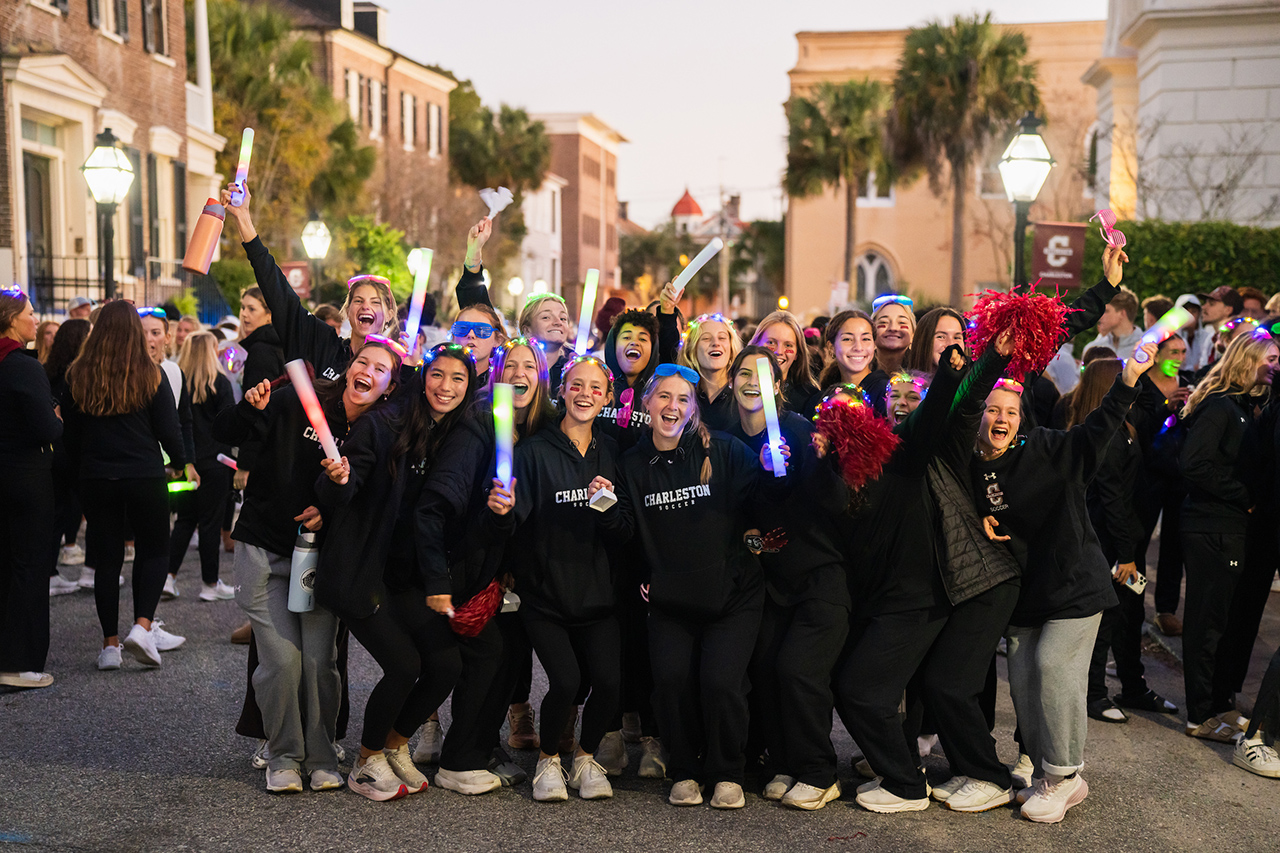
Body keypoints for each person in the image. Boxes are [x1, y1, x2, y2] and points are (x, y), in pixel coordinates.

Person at [974, 334, 1158, 823]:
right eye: (993, 410)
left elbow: (1095, 431)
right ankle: (1045, 775)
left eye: (1011, 412)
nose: (1002, 419)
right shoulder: (971, 467)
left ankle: (1065, 775)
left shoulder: (1047, 449)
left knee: (1055, 668)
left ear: (1022, 419)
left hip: (1075, 584)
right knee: (1026, 681)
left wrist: (1128, 382)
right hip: (1025, 594)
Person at [213, 338, 404, 793]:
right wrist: (247, 408)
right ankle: (283, 754)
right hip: (264, 546)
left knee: (320, 661)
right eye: (363, 361)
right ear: (350, 366)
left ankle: (320, 755)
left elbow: (369, 501)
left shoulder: (378, 431)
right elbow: (224, 429)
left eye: (381, 369)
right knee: (281, 661)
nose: (368, 371)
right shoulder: (300, 399)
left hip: (322, 557)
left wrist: (331, 506)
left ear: (389, 388)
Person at [597, 363, 790, 810]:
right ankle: (684, 769)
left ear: (694, 407)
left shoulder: (724, 450)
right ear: (646, 403)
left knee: (722, 682)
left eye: (683, 399)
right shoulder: (630, 464)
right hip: (670, 598)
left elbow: (761, 509)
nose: (673, 406)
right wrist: (605, 507)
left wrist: (769, 470)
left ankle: (727, 772)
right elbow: (624, 533)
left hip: (734, 594)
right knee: (670, 680)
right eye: (664, 397)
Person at [313, 342, 473, 801]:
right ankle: (366, 762)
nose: (446, 386)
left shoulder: (454, 435)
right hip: (361, 570)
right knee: (405, 665)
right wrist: (339, 479)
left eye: (458, 378)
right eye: (438, 375)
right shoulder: (382, 425)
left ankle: (395, 744)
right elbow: (339, 485)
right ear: (422, 378)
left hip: (405, 575)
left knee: (446, 664)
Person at [416, 338, 553, 796]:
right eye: (508, 364)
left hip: (505, 574)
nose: (518, 372)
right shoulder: (476, 428)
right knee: (485, 656)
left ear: (541, 377)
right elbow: (438, 505)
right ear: (493, 376)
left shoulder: (536, 430)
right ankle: (459, 758)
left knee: (509, 658)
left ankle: (482, 747)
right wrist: (440, 576)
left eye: (528, 365)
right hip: (463, 569)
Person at [727, 347, 850, 810]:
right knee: (765, 669)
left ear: (778, 384)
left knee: (799, 670)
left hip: (820, 578)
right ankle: (784, 762)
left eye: (764, 373)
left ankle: (820, 771)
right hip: (769, 582)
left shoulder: (801, 432)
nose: (752, 380)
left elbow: (836, 504)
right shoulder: (727, 440)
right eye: (744, 372)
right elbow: (737, 527)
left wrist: (817, 461)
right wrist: (759, 546)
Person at [504, 355, 623, 803]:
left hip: (599, 594)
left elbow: (625, 527)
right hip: (545, 594)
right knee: (567, 681)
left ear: (607, 397)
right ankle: (548, 761)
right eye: (577, 385)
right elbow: (514, 523)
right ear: (562, 390)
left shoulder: (612, 451)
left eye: (596, 387)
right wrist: (501, 512)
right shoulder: (533, 451)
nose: (585, 394)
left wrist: (607, 507)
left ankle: (585, 758)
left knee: (609, 683)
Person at [62, 301, 191, 670]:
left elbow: (70, 436)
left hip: (96, 477)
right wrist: (180, 465)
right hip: (144, 474)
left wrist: (79, 472)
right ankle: (142, 625)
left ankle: (109, 647)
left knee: (107, 559)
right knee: (153, 550)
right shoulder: (151, 374)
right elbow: (170, 431)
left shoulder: (79, 374)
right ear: (135, 332)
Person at [1178, 331, 1278, 742]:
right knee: (1207, 623)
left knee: (1225, 623)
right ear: (1247, 358)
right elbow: (1193, 464)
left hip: (1230, 528)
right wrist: (1247, 497)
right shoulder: (1220, 407)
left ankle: (1219, 704)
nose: (1276, 364)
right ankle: (1199, 714)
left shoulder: (1247, 407)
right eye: (1271, 357)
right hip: (1210, 526)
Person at [1076, 358, 1178, 723]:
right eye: (1127, 379)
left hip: (1124, 541)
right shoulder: (1107, 436)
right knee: (1106, 619)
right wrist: (1125, 554)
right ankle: (1094, 694)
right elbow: (1111, 498)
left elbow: (1152, 404)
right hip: (1109, 543)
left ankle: (1133, 687)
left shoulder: (1125, 427)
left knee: (1130, 614)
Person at [222, 182, 397, 381]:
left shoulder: (397, 366)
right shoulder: (322, 343)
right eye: (358, 301)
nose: (366, 307)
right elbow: (280, 294)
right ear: (348, 311)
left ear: (390, 314)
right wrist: (244, 220)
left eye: (375, 302)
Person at [0, 287, 61, 689]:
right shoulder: (22, 366)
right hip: (26, 478)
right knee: (30, 567)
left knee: (7, 567)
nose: (35, 319)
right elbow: (48, 428)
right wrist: (57, 416)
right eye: (30, 312)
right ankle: (19, 664)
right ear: (11, 319)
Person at [164, 332, 237, 601]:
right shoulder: (221, 383)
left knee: (184, 521)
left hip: (186, 462)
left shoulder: (177, 385)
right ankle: (209, 584)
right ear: (212, 351)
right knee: (210, 523)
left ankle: (167, 578)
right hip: (216, 463)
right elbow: (231, 426)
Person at [43, 319, 90, 575]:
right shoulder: (78, 375)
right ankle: (92, 571)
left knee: (56, 516)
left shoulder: (48, 371)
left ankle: (49, 573)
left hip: (53, 452)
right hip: (72, 453)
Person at [676, 312, 742, 431]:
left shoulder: (743, 395)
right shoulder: (681, 397)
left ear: (731, 348)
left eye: (722, 338)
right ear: (692, 349)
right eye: (706, 338)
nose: (716, 343)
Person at [815, 309, 888, 418]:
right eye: (848, 339)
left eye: (866, 339)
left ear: (874, 344)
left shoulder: (886, 394)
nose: (858, 347)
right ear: (831, 347)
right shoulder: (823, 396)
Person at [749, 311, 818, 412]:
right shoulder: (740, 390)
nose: (779, 352)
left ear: (797, 354)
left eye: (788, 345)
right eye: (771, 342)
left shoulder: (811, 398)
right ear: (756, 345)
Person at [1188, 286, 1243, 371]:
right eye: (1205, 303)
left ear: (1228, 310)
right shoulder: (1210, 339)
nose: (1203, 307)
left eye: (1211, 304)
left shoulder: (1237, 339)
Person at [1083, 286, 1143, 356]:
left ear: (1122, 313)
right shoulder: (1092, 349)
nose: (1099, 316)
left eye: (1105, 311)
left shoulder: (1146, 348)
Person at [904, 307, 967, 373]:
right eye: (941, 337)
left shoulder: (975, 380)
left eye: (957, 338)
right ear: (923, 341)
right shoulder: (904, 382)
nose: (950, 344)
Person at [870, 294, 915, 376]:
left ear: (913, 334)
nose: (893, 328)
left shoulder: (923, 374)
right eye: (884, 322)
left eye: (902, 322)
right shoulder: (860, 371)